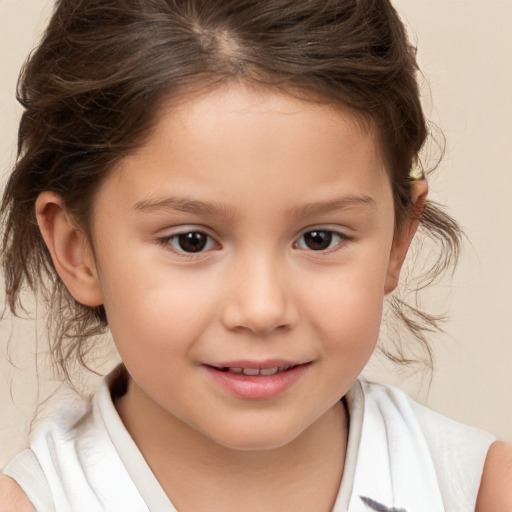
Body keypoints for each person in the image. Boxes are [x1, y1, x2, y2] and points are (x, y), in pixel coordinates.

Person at [0, 0, 511, 510]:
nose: (262, 310)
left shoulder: (481, 490)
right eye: (191, 241)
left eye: (319, 239)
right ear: (77, 249)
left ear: (398, 238)